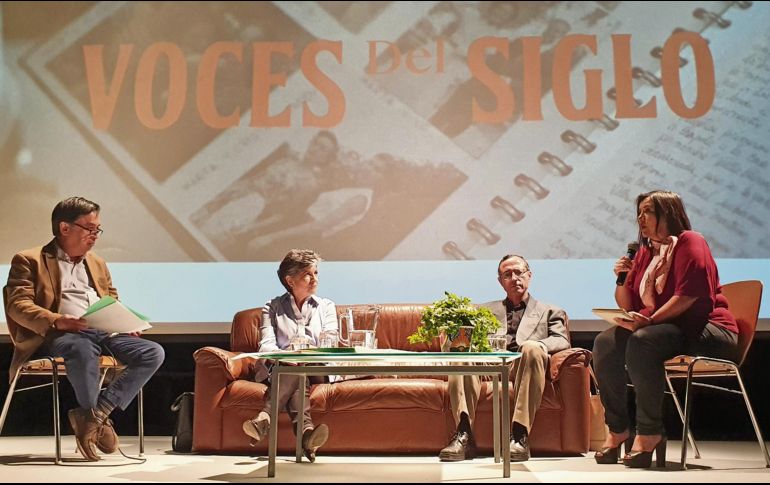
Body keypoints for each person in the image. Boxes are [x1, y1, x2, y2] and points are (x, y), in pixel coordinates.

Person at [4, 196, 165, 461]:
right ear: (65, 228)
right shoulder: (29, 259)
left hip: (102, 331)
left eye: (98, 229)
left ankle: (95, 415)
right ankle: (92, 415)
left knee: (152, 352)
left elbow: (111, 298)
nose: (95, 235)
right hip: (59, 334)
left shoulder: (97, 262)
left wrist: (123, 322)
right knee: (80, 347)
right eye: (90, 229)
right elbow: (17, 304)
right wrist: (57, 319)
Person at [592, 190, 739, 468]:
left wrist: (650, 321)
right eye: (638, 213)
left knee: (643, 341)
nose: (640, 218)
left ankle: (650, 432)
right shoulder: (646, 253)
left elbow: (688, 296)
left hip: (709, 330)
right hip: (666, 331)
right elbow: (628, 304)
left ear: (668, 213)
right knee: (606, 342)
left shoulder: (690, 241)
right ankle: (618, 429)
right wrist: (622, 279)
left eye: (647, 211)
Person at [439, 254, 570, 462]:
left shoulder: (549, 311)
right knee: (462, 354)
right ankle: (463, 435)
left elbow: (561, 340)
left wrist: (539, 345)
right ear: (501, 281)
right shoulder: (483, 311)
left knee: (531, 348)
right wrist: (451, 329)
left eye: (519, 272)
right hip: (489, 365)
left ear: (529, 275)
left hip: (523, 366)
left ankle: (519, 436)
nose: (514, 278)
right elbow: (460, 342)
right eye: (507, 274)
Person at [241, 249, 335, 462]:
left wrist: (304, 355)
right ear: (290, 281)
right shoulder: (272, 307)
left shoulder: (326, 306)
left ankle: (264, 417)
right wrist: (287, 357)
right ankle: (307, 435)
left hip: (316, 367)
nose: (315, 279)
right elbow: (266, 345)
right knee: (294, 372)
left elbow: (330, 342)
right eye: (307, 275)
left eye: (316, 273)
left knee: (297, 367)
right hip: (282, 367)